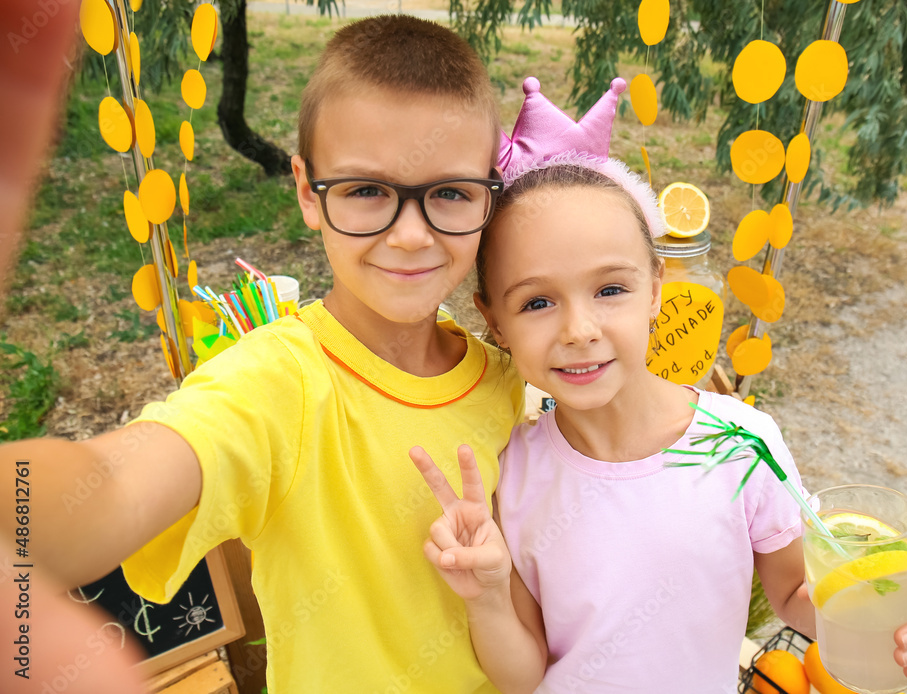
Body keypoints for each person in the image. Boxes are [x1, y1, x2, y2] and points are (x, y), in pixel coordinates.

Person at [0, 16, 529, 693]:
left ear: (489, 193)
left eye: (449, 193)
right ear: (308, 191)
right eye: (367, 191)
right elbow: (111, 484)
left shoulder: (514, 383)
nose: (409, 235)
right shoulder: (276, 385)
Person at [410, 78, 907, 692]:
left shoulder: (745, 446)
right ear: (493, 320)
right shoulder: (513, 473)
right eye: (536, 302)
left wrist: (895, 613)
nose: (580, 330)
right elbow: (523, 674)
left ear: (657, 286)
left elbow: (800, 594)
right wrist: (485, 596)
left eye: (611, 289)